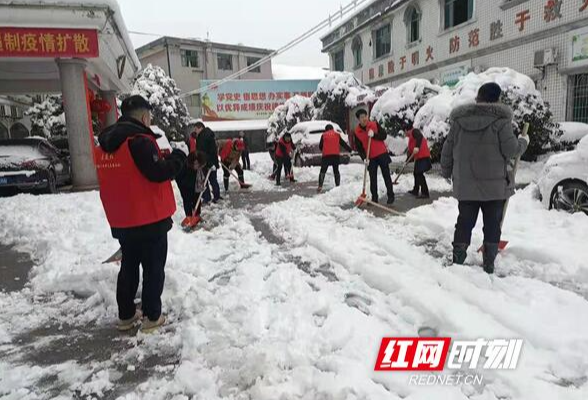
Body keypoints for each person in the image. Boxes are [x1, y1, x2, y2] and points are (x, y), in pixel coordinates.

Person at [96, 95, 187, 333]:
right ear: (144, 116)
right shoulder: (139, 141)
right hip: (149, 218)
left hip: (123, 219)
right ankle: (152, 317)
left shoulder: (107, 143)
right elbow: (157, 172)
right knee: (153, 268)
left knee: (128, 266)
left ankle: (126, 315)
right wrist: (177, 158)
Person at [441, 82, 529, 274]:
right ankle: (488, 263)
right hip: (495, 187)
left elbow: (447, 150)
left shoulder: (458, 122)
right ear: (497, 99)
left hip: (466, 186)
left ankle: (458, 260)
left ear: (478, 97)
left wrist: (446, 172)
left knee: (464, 222)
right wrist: (523, 142)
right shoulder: (501, 122)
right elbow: (511, 150)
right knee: (492, 225)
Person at [354, 109, 395, 205]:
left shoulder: (374, 124)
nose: (364, 119)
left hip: (381, 153)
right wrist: (364, 158)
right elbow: (359, 148)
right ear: (358, 119)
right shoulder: (357, 132)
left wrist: (375, 135)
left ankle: (391, 196)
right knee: (373, 178)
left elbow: (384, 135)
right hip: (370, 157)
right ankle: (374, 198)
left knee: (386, 176)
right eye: (361, 117)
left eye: (365, 116)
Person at [192, 121, 221, 203]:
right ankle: (216, 196)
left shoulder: (203, 137)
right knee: (212, 180)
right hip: (209, 162)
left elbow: (205, 152)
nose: (195, 131)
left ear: (200, 128)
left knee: (205, 181)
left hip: (206, 163)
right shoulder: (207, 134)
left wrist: (209, 163)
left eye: (196, 129)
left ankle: (208, 197)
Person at [317, 124, 352, 192]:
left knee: (323, 171)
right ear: (332, 129)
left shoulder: (323, 135)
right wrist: (350, 150)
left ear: (326, 129)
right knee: (336, 170)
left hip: (326, 156)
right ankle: (337, 185)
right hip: (335, 156)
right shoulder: (337, 134)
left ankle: (320, 186)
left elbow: (320, 146)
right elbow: (343, 144)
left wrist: (324, 149)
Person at [406, 128, 432, 199]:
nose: (405, 134)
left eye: (405, 132)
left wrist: (417, 147)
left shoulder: (414, 131)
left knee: (419, 174)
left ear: (406, 130)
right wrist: (407, 161)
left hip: (423, 155)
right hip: (418, 157)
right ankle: (415, 190)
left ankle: (425, 193)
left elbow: (419, 137)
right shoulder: (411, 138)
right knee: (416, 173)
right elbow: (411, 151)